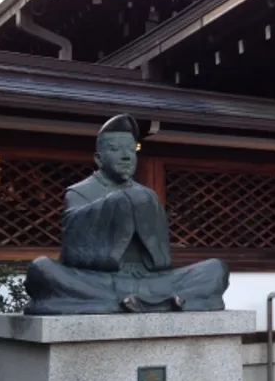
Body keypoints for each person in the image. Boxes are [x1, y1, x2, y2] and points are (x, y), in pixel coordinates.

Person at [25, 113, 229, 315]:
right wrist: (120, 204)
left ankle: (130, 302)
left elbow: (161, 259)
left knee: (215, 269)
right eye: (115, 149)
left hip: (149, 280)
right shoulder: (79, 192)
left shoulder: (147, 195)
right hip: (100, 280)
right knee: (42, 269)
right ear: (98, 158)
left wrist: (137, 203)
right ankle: (157, 302)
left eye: (132, 150)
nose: (126, 156)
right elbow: (74, 252)